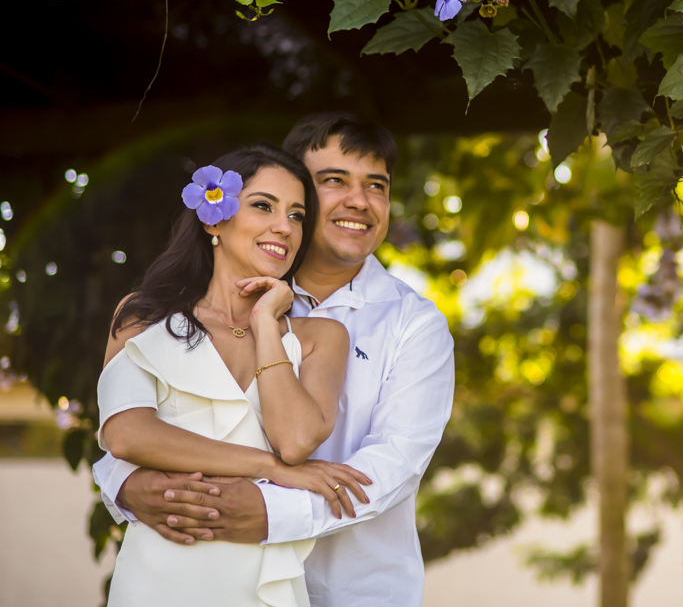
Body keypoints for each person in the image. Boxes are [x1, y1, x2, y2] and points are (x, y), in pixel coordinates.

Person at [93, 113, 456, 607]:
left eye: (377, 185)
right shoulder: (165, 313)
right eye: (333, 181)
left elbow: (393, 463)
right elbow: (128, 432)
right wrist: (125, 483)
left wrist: (267, 509)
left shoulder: (414, 324)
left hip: (355, 591)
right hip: (180, 569)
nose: (359, 200)